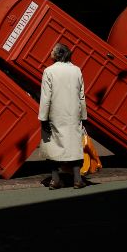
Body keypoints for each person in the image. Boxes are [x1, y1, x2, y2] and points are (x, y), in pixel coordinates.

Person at [38, 42, 87, 189]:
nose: (50, 52)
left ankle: (55, 180)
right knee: (74, 146)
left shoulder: (49, 71)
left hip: (55, 115)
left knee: (52, 147)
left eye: (52, 50)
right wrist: (83, 116)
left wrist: (43, 117)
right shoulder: (77, 70)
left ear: (59, 54)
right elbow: (81, 96)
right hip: (73, 115)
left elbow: (46, 97)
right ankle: (78, 179)